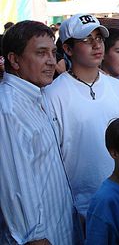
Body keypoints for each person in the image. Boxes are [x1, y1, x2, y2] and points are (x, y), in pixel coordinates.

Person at [45, 14, 119, 218]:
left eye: (99, 38)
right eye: (87, 40)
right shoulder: (52, 95)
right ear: (67, 49)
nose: (96, 45)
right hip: (75, 205)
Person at [0, 21, 80, 244]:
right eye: (41, 53)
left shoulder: (37, 96)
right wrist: (33, 236)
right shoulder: (8, 109)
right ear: (14, 59)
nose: (51, 61)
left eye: (53, 52)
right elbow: (15, 183)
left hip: (59, 228)